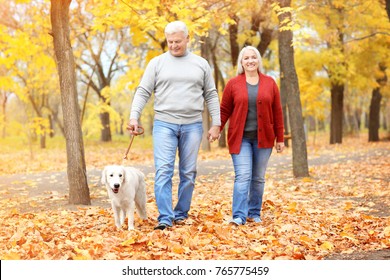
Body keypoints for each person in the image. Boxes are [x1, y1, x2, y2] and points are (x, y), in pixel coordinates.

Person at [128, 21, 221, 230]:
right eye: (170, 42)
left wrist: (216, 123)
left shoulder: (201, 64)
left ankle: (180, 213)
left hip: (193, 124)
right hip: (164, 124)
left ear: (188, 39)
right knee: (164, 171)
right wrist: (134, 117)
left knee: (188, 172)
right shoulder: (157, 63)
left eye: (177, 41)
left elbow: (211, 94)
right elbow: (143, 91)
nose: (173, 45)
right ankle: (165, 217)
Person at [220, 46, 285, 226]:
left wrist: (280, 138)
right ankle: (239, 216)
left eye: (253, 57)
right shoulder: (233, 84)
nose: (250, 61)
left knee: (258, 178)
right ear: (241, 62)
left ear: (258, 61)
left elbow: (277, 112)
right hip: (240, 139)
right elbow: (224, 110)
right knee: (243, 176)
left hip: (263, 140)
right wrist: (216, 128)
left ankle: (254, 212)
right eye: (246, 58)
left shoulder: (270, 82)